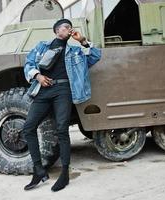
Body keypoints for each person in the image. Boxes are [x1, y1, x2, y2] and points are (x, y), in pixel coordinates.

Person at [23, 18, 101, 192]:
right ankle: (38, 170)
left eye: (70, 27)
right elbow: (28, 64)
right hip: (43, 90)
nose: (69, 29)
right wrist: (38, 76)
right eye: (66, 27)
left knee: (62, 129)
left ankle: (65, 173)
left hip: (63, 90)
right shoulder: (43, 46)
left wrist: (82, 41)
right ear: (57, 30)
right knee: (28, 127)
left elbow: (96, 55)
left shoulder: (75, 51)